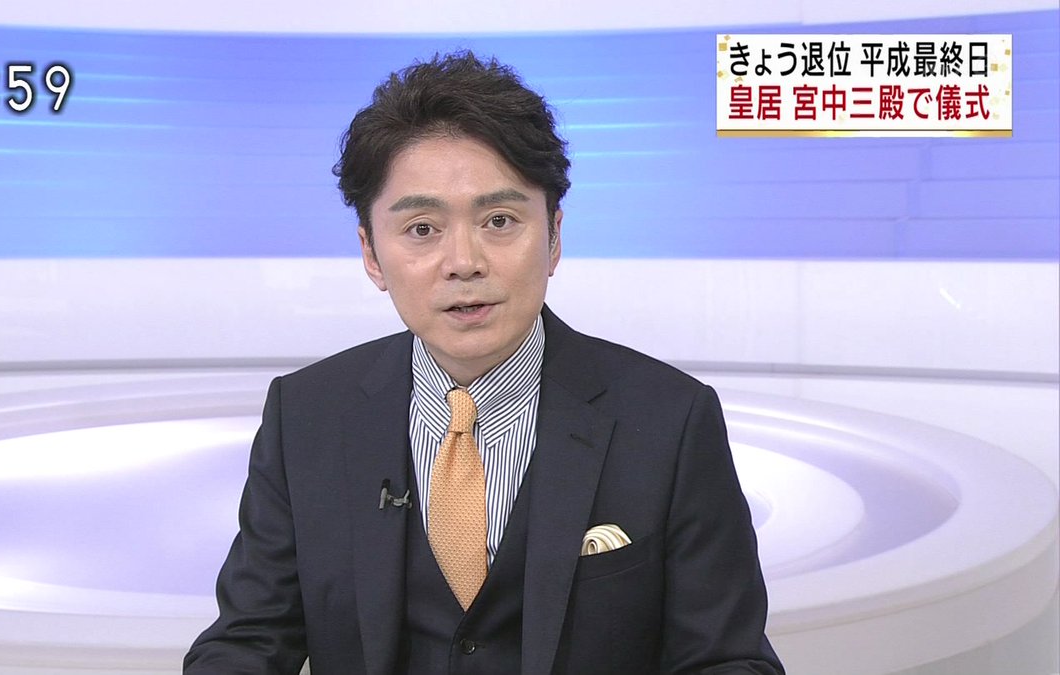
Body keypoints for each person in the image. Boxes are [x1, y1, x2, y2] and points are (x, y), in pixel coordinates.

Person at [184, 51, 783, 675]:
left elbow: (728, 660)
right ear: (371, 254)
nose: (464, 262)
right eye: (422, 229)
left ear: (554, 236)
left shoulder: (671, 419)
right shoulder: (306, 416)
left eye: (499, 221)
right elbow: (246, 642)